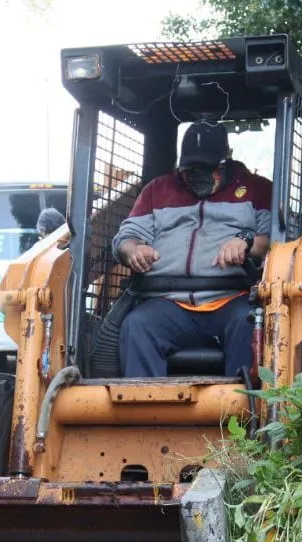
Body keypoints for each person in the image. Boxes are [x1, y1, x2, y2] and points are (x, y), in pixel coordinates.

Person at [112, 121, 272, 378]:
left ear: (226, 159)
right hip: (168, 301)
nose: (197, 173)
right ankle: (145, 415)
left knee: (251, 323)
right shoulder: (157, 190)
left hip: (232, 298)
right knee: (137, 325)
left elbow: (272, 238)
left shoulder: (258, 188)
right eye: (190, 168)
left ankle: (243, 412)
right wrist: (132, 251)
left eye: (206, 167)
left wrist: (245, 241)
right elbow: (127, 236)